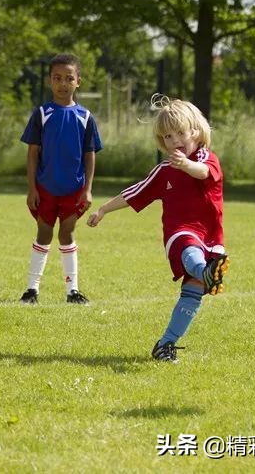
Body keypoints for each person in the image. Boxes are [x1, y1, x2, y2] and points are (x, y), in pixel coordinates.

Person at [87, 94, 229, 363]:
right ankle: (207, 272)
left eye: (179, 133)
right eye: (167, 137)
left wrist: (187, 165)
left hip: (212, 238)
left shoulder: (208, 159)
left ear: (196, 132)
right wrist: (103, 209)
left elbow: (203, 173)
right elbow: (134, 192)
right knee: (191, 253)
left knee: (192, 295)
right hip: (181, 234)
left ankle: (166, 344)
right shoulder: (164, 170)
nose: (174, 141)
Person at [19, 53, 102, 305]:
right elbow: (33, 152)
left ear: (79, 81)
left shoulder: (85, 117)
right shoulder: (42, 113)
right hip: (45, 188)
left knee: (67, 234)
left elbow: (90, 155)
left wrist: (87, 189)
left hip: (73, 190)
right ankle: (31, 290)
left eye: (69, 78)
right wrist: (32, 187)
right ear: (49, 81)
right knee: (43, 233)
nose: (63, 83)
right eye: (57, 78)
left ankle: (72, 291)